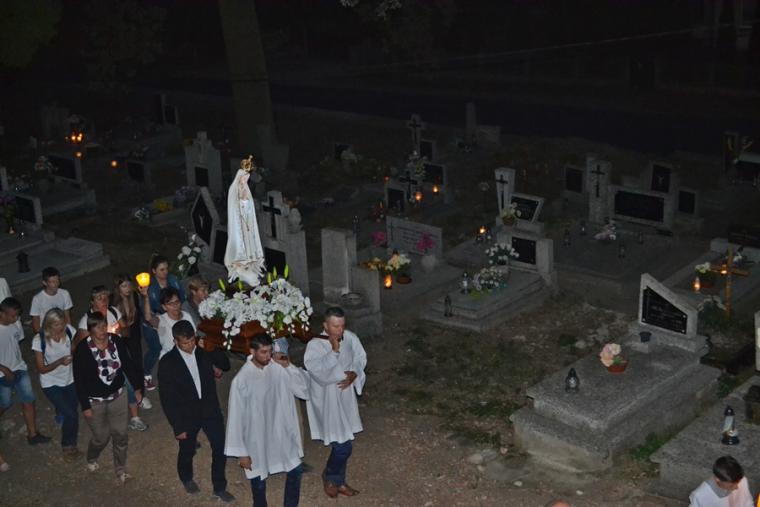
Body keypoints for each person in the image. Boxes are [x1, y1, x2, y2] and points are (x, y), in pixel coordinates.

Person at [225, 333, 310, 507]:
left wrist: (288, 366)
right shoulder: (241, 379)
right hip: (257, 439)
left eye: (270, 351)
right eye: (263, 352)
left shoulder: (277, 367)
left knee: (296, 469)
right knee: (258, 481)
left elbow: (303, 390)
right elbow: (235, 417)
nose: (268, 356)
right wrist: (242, 453)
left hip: (281, 432)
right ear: (252, 351)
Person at [157, 321, 233, 502]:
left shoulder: (203, 351)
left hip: (210, 409)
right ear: (175, 341)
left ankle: (219, 487)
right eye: (185, 343)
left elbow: (225, 365)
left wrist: (212, 349)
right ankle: (186, 477)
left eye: (192, 340)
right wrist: (178, 426)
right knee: (187, 449)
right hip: (187, 414)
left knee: (220, 447)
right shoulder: (167, 363)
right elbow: (167, 398)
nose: (190, 345)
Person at [73, 311, 143, 483]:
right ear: (90, 329)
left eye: (104, 326)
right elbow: (79, 380)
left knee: (120, 434)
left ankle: (120, 469)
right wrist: (85, 406)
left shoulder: (115, 341)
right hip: (95, 401)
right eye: (97, 327)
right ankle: (92, 457)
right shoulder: (83, 349)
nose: (102, 330)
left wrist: (136, 388)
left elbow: (127, 364)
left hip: (118, 395)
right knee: (101, 437)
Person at [304, 307, 366, 498]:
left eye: (342, 325)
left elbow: (360, 357)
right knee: (343, 445)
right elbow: (317, 372)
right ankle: (331, 476)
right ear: (325, 325)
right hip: (327, 400)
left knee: (343, 439)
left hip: (345, 397)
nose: (340, 330)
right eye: (335, 326)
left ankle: (338, 480)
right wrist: (334, 351)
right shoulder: (315, 345)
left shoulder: (350, 337)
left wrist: (354, 373)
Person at [0, 297, 51, 445]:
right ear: (2, 313)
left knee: (28, 400)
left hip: (19, 368)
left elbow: (16, 343)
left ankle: (32, 435)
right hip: (2, 374)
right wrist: (4, 369)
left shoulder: (15, 324)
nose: (16, 318)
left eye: (17, 315)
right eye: (12, 315)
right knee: (5, 403)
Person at [32, 308, 79, 460]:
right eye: (56, 324)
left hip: (70, 379)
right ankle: (68, 446)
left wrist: (73, 356)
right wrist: (59, 362)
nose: (60, 327)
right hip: (50, 382)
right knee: (71, 415)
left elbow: (74, 348)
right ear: (48, 324)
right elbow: (41, 369)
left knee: (71, 410)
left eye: (62, 323)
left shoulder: (69, 331)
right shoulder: (39, 340)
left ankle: (61, 412)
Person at [111, 275, 152, 428]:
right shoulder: (113, 302)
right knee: (125, 366)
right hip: (120, 335)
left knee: (137, 363)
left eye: (129, 285)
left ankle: (140, 394)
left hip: (133, 333)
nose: (127, 289)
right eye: (124, 286)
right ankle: (132, 394)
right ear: (118, 288)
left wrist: (145, 297)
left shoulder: (134, 296)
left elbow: (143, 316)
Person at [142, 255, 186, 390]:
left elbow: (182, 297)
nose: (165, 272)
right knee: (156, 348)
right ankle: (145, 373)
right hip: (153, 320)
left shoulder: (173, 280)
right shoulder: (148, 286)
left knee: (173, 343)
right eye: (162, 270)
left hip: (170, 317)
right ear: (154, 271)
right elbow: (145, 311)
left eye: (166, 268)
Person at [224, 156, 265, 287]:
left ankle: (249, 262)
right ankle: (240, 265)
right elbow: (233, 208)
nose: (244, 181)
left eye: (246, 179)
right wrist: (241, 202)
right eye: (243, 179)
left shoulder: (246, 190)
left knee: (248, 242)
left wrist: (246, 201)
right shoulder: (233, 190)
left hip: (247, 225)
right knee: (239, 242)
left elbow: (249, 208)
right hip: (238, 224)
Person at [141, 286, 195, 360]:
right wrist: (146, 297)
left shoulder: (187, 315)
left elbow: (194, 335)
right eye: (170, 304)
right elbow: (148, 318)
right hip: (171, 358)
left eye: (177, 302)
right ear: (164, 307)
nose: (175, 306)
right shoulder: (161, 321)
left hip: (190, 354)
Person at [689, 455, 754, 507]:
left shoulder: (741, 480)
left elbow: (748, 503)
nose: (736, 487)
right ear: (718, 479)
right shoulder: (699, 496)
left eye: (738, 482)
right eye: (731, 485)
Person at [29, 266, 73, 333]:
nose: (56, 284)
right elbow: (36, 326)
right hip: (46, 331)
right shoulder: (37, 299)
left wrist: (69, 331)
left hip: (61, 329)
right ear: (44, 283)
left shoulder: (65, 293)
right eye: (52, 282)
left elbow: (67, 317)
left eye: (57, 280)